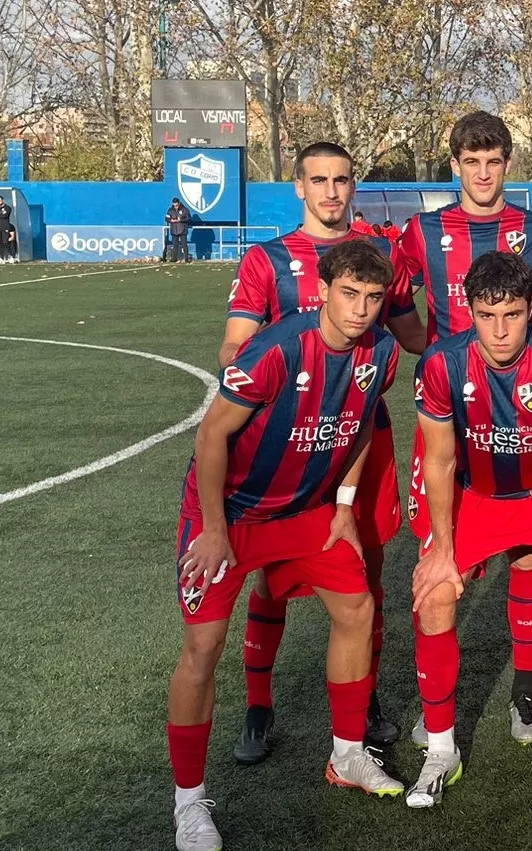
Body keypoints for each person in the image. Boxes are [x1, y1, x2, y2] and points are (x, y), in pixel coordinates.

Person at [168, 240, 404, 851]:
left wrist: (346, 507)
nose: (361, 310)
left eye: (374, 298)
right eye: (349, 295)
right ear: (322, 291)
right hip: (233, 513)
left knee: (357, 608)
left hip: (304, 513)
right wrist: (215, 528)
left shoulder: (381, 351)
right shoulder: (274, 349)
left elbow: (358, 429)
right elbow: (212, 434)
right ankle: (188, 803)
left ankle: (348, 755)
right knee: (202, 647)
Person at [220, 141, 426, 766]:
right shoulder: (269, 259)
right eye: (319, 180)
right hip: (289, 445)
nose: (331, 191)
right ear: (299, 189)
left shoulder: (382, 255)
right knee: (273, 576)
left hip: (361, 435)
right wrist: (285, 388)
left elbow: (412, 334)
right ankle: (259, 704)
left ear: (353, 185)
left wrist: (478, 335)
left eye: (341, 179)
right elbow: (234, 349)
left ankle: (363, 702)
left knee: (366, 567)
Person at [408, 250, 532, 807]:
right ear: (468, 310)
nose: (500, 330)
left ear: (531, 310)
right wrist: (442, 550)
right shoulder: (442, 364)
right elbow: (442, 462)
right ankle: (441, 751)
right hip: (479, 497)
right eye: (487, 315)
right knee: (435, 597)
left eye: (514, 315)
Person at [393, 111, 532, 749]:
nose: (484, 173)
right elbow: (396, 300)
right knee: (439, 555)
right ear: (455, 164)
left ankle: (524, 693)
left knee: (525, 550)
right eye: (472, 162)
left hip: (519, 410)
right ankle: (437, 704)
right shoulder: (424, 230)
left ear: (508, 163)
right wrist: (424, 347)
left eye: (494, 162)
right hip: (447, 412)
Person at [166, 198, 191, 263]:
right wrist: (170, 220)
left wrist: (180, 220)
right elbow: (166, 218)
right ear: (172, 204)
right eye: (174, 205)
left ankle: (186, 259)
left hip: (182, 229)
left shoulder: (185, 209)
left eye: (177, 205)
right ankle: (174, 258)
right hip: (174, 229)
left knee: (184, 244)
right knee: (174, 245)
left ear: (179, 203)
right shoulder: (170, 210)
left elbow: (188, 218)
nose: (176, 206)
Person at [0, 195, 15, 263]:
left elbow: (4, 215)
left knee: (5, 242)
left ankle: (11, 256)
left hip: (5, 227)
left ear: (2, 200)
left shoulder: (7, 208)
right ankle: (1, 258)